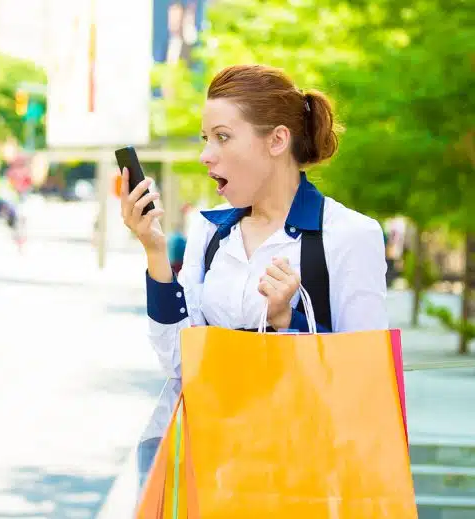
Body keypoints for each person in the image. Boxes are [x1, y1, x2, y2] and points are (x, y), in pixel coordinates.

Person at [119, 64, 388, 489]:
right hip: (212, 470)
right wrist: (153, 249)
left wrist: (288, 324)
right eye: (206, 139)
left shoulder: (349, 235)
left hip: (302, 480)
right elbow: (178, 362)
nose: (207, 155)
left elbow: (366, 386)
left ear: (277, 140)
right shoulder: (210, 232)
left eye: (223, 137)